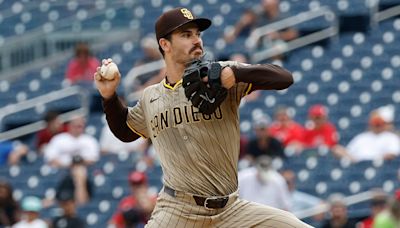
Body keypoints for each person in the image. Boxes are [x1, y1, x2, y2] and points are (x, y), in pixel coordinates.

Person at [94, 7, 311, 227]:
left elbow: (284, 78)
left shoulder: (218, 74)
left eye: (198, 34)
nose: (196, 40)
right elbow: (126, 132)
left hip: (231, 209)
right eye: (186, 35)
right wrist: (109, 97)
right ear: (165, 44)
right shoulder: (151, 96)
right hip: (177, 211)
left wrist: (237, 74)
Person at [224, 0, 298, 49]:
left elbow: (293, 34)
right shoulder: (260, 15)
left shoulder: (284, 16)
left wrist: (277, 35)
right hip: (260, 46)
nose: (264, 2)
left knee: (278, 47)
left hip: (277, 46)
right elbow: (230, 37)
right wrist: (241, 24)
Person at [332, 109, 400, 162]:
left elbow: (392, 154)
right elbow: (349, 153)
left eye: (379, 123)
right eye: (375, 123)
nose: (376, 125)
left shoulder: (391, 137)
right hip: (357, 166)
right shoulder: (361, 137)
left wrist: (373, 161)